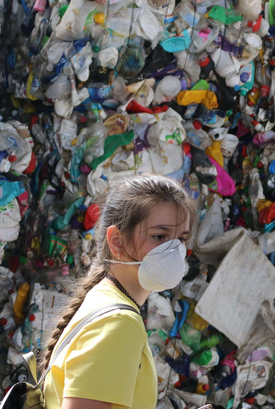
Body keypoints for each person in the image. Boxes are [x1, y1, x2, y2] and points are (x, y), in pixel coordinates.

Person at [41, 175, 195, 409]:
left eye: (180, 239)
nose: (174, 251)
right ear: (117, 241)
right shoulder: (119, 323)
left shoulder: (105, 300)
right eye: (159, 237)